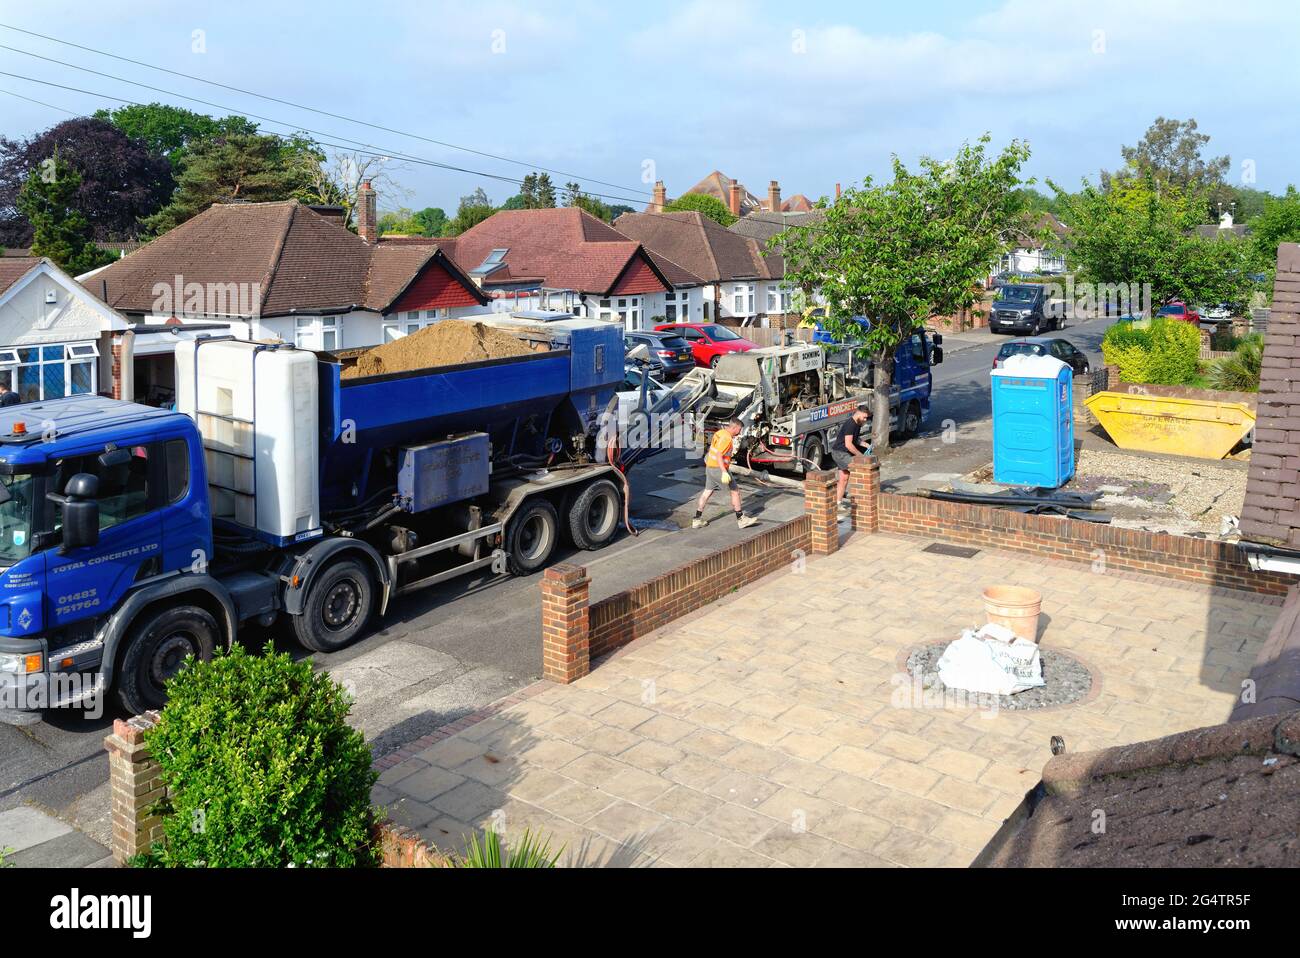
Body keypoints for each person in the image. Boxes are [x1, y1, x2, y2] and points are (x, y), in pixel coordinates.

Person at [693, 418, 758, 529]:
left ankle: (697, 519)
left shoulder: (719, 433)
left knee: (707, 492)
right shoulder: (727, 438)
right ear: (734, 427)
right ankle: (741, 519)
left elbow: (712, 450)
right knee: (735, 492)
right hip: (719, 469)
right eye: (739, 429)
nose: (740, 432)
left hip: (710, 467)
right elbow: (719, 455)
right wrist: (724, 472)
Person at [832, 403, 872, 508]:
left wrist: (865, 445)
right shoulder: (851, 424)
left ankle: (837, 502)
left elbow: (855, 439)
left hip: (842, 452)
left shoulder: (857, 424)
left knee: (844, 478)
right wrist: (860, 456)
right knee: (860, 469)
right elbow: (849, 445)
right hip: (840, 453)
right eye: (864, 417)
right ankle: (863, 501)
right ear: (859, 413)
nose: (865, 420)